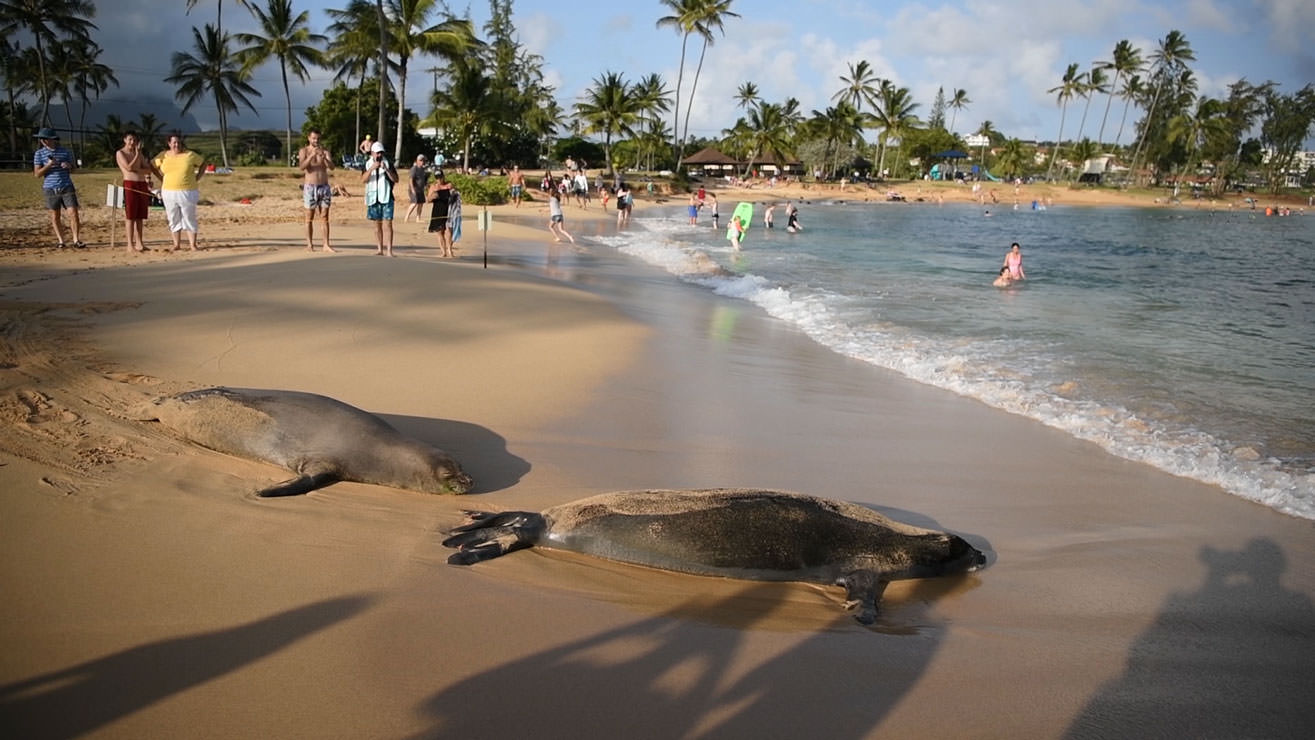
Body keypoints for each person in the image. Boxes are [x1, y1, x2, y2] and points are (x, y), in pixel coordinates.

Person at [152, 131, 207, 251]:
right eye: (174, 142)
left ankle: (193, 244)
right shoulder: (163, 155)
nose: (176, 145)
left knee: (189, 217)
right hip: (168, 191)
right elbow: (152, 166)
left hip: (187, 191)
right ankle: (176, 244)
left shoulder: (189, 154)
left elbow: (203, 164)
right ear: (169, 143)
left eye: (178, 142)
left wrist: (197, 177)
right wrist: (160, 178)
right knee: (173, 217)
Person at [32, 127, 84, 248]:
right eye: (41, 139)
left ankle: (76, 239)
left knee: (73, 213)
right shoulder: (39, 153)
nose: (43, 141)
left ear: (53, 139)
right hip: (50, 187)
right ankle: (61, 241)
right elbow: (37, 174)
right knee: (55, 215)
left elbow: (74, 169)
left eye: (45, 139)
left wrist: (69, 166)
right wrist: (49, 165)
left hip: (66, 185)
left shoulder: (65, 151)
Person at [297, 128, 336, 252]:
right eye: (314, 138)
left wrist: (323, 157)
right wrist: (312, 155)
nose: (316, 140)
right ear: (309, 138)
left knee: (324, 216)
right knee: (309, 216)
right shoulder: (304, 151)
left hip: (324, 186)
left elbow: (332, 167)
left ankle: (326, 244)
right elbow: (302, 167)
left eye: (318, 138)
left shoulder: (325, 151)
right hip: (310, 187)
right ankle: (309, 244)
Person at [114, 130, 153, 253]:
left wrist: (137, 168)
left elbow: (148, 170)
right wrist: (136, 156)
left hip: (141, 184)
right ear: (125, 140)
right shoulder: (121, 153)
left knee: (140, 216)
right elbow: (129, 168)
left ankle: (140, 243)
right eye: (130, 139)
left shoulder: (139, 154)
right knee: (130, 216)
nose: (132, 142)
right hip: (130, 184)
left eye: (135, 140)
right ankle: (130, 244)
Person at [361, 141, 398, 256]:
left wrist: (386, 169)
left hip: (387, 197)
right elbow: (363, 179)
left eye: (381, 153)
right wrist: (372, 168)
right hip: (373, 197)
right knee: (377, 224)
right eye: (377, 153)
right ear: (372, 153)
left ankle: (389, 250)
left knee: (388, 224)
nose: (379, 155)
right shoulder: (367, 164)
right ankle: (379, 249)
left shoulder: (388, 163)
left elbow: (396, 179)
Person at [427, 171, 455, 258]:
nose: (439, 179)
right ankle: (443, 251)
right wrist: (433, 196)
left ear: (443, 176)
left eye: (440, 177)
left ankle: (449, 249)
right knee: (440, 232)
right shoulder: (433, 187)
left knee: (449, 230)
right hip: (437, 210)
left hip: (448, 210)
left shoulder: (449, 185)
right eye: (437, 178)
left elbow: (454, 196)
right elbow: (428, 200)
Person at [404, 154, 429, 223]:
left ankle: (418, 218)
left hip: (420, 190)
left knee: (421, 203)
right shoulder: (414, 168)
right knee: (414, 203)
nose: (422, 162)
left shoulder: (423, 169)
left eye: (423, 160)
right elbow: (411, 179)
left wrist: (426, 186)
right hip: (414, 189)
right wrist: (412, 189)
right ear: (417, 161)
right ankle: (407, 217)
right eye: (421, 160)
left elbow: (424, 179)